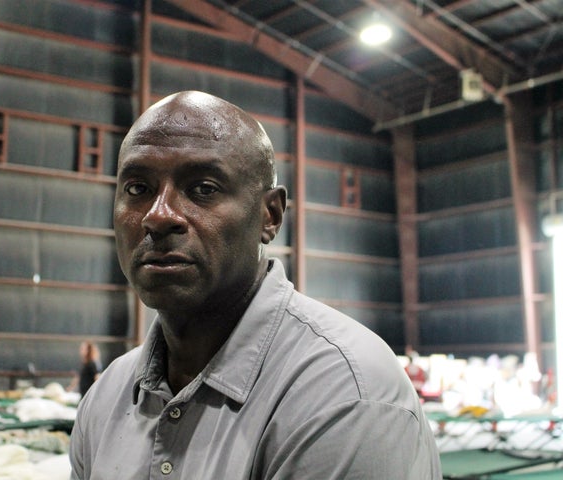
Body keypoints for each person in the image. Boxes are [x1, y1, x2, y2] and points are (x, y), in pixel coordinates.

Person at [69, 91, 442, 479]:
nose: (158, 216)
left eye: (204, 189)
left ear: (270, 215)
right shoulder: (106, 398)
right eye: (137, 189)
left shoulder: (344, 394)